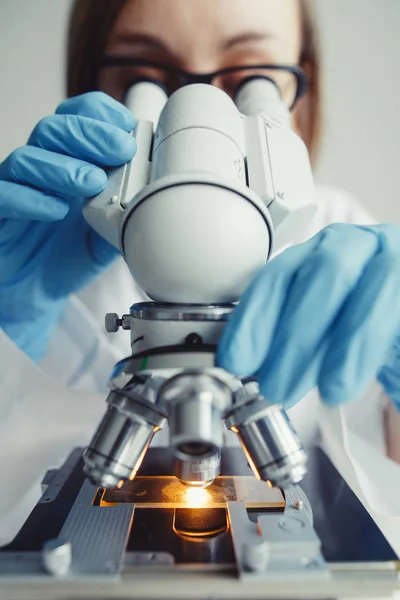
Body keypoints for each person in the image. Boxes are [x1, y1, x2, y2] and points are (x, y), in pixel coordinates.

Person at [0, 0, 400, 542]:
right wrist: (8, 323)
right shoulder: (32, 246)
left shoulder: (349, 244)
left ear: (301, 99)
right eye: (144, 79)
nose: (202, 105)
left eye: (251, 78)